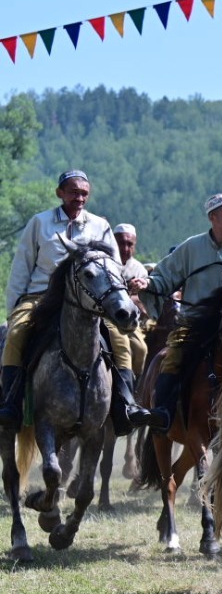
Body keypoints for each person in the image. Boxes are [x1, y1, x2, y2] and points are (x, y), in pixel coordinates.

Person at [0, 170, 153, 431]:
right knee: (15, 334)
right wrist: (15, 308)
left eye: (84, 193)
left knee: (127, 344)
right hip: (40, 297)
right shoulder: (39, 223)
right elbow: (21, 268)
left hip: (91, 302)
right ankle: (11, 404)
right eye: (73, 192)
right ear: (60, 193)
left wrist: (121, 301)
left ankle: (125, 405)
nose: (79, 197)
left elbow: (113, 269)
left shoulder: (100, 226)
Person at [140, 194, 222, 432]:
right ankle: (163, 412)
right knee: (173, 358)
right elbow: (164, 276)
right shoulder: (191, 247)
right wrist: (147, 284)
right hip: (193, 324)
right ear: (212, 218)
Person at [113, 223, 151, 379]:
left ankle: (133, 387)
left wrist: (137, 293)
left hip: (128, 320)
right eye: (121, 243)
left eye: (130, 244)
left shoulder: (139, 269)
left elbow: (143, 303)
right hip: (105, 316)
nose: (125, 248)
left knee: (141, 349)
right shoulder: (105, 262)